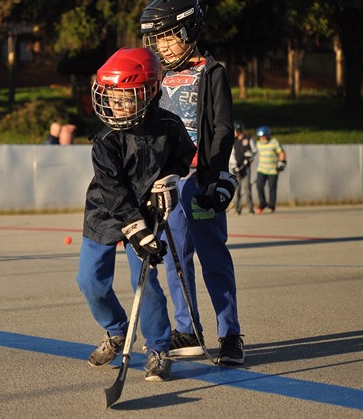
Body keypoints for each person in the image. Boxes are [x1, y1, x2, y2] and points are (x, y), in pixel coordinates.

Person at [77, 47, 195, 382]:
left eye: (124, 97)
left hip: (148, 210)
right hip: (105, 212)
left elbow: (184, 155)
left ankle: (158, 347)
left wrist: (168, 177)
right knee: (89, 281)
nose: (115, 104)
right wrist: (137, 231)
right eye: (111, 96)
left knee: (143, 281)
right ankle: (117, 331)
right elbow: (113, 192)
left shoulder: (169, 125)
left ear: (150, 92)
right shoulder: (105, 139)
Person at [141, 0, 246, 365]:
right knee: (175, 258)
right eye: (158, 41)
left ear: (188, 31)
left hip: (199, 179)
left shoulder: (212, 71)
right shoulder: (159, 76)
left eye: (169, 38)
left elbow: (222, 128)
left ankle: (230, 334)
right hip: (170, 180)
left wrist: (216, 176)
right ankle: (187, 328)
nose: (163, 47)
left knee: (213, 257)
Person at [255, 125, 287, 213]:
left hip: (273, 170)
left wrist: (282, 161)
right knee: (259, 186)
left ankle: (271, 206)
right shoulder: (258, 144)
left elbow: (281, 152)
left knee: (272, 188)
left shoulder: (274, 142)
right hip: (261, 169)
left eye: (264, 136)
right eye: (261, 137)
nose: (262, 138)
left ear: (268, 135)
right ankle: (263, 203)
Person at [230, 121, 256, 215]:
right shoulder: (234, 140)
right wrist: (235, 166)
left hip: (246, 167)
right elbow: (231, 154)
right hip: (237, 168)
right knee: (237, 189)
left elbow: (254, 150)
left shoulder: (248, 139)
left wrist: (249, 157)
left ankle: (251, 208)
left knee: (247, 188)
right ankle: (238, 209)